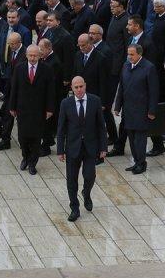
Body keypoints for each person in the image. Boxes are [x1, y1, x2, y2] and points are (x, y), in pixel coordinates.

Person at [57, 76, 108, 221]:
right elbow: (61, 129)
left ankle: (86, 193)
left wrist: (103, 147)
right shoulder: (66, 103)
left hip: (91, 147)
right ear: (72, 89)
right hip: (73, 148)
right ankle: (74, 207)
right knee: (71, 180)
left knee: (90, 175)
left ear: (85, 86)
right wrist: (60, 150)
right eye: (76, 87)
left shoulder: (95, 101)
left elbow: (101, 126)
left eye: (81, 86)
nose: (79, 90)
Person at [8, 44, 56, 175]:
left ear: (40, 56)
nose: (33, 58)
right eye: (30, 55)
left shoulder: (46, 69)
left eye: (35, 55)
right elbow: (14, 88)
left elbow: (51, 91)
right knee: (22, 137)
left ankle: (32, 163)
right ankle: (25, 157)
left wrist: (50, 109)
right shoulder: (19, 68)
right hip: (22, 109)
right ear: (26, 55)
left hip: (39, 109)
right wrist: (12, 106)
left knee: (36, 138)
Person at [112, 44, 159, 174]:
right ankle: (136, 162)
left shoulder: (149, 68)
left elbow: (154, 91)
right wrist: (117, 106)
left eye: (132, 54)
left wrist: (152, 111)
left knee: (140, 139)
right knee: (131, 139)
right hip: (128, 109)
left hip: (142, 110)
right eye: (128, 54)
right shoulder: (126, 66)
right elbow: (121, 87)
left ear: (139, 54)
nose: (129, 57)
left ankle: (141, 163)